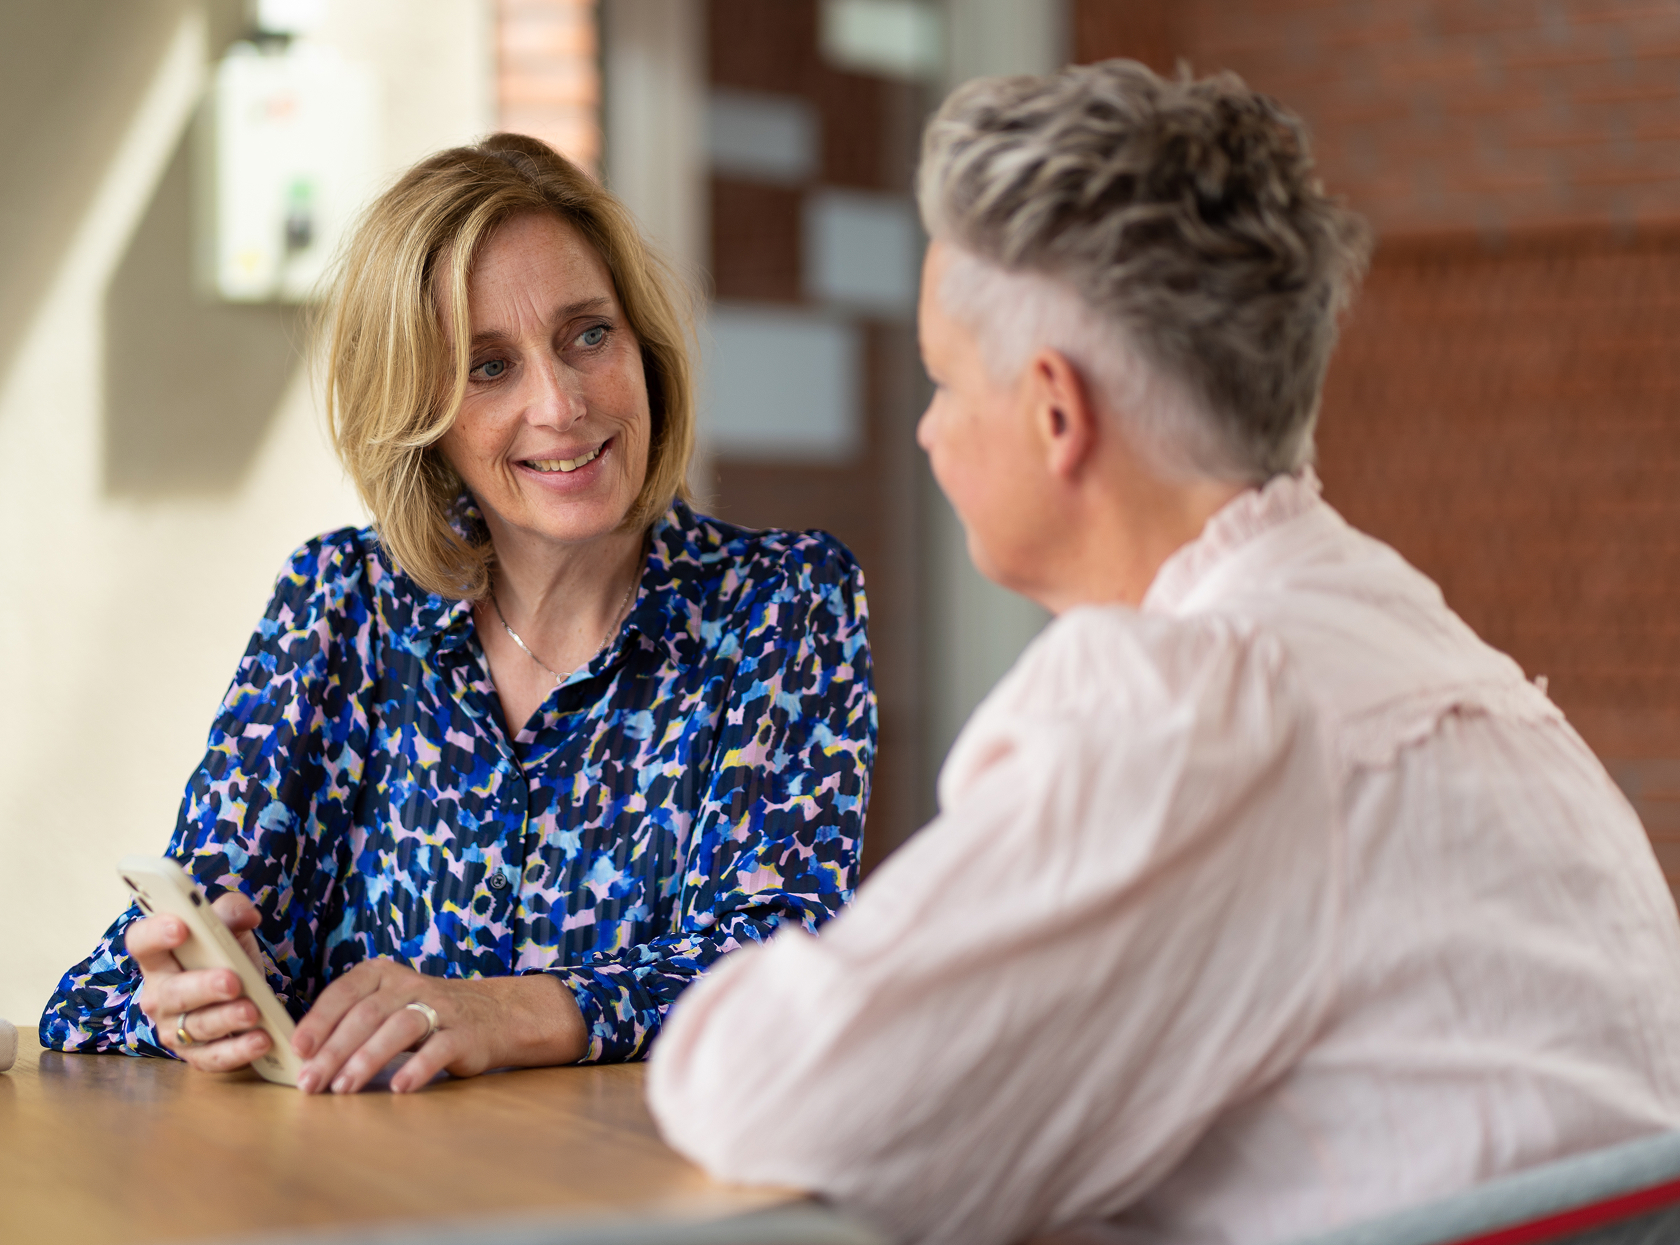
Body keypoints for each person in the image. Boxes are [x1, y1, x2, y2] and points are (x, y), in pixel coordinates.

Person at [644, 60, 1680, 1245]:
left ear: (1055, 412)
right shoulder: (1437, 662)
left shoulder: (1198, 707)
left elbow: (777, 1093)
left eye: (944, 379)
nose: (927, 429)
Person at [40, 134, 876, 1095]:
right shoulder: (342, 602)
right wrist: (187, 1002)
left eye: (588, 335)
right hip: (361, 1178)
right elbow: (103, 995)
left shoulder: (783, 602)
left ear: (643, 347)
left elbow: (775, 974)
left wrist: (510, 1008)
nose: (559, 404)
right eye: (488, 367)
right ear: (421, 414)